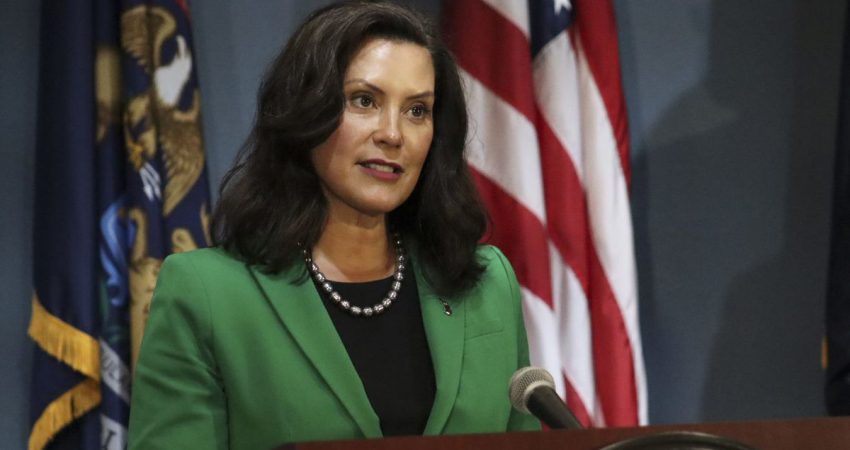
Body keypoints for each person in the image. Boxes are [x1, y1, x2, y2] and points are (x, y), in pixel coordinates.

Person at [128, 2, 540, 448]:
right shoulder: (207, 294)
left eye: (417, 110)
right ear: (306, 111)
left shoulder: (487, 286)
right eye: (365, 101)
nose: (393, 133)